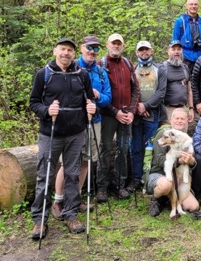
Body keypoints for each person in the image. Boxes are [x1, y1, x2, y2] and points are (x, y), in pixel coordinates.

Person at [29, 38, 96, 238]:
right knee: (45, 175)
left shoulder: (81, 74)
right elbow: (33, 103)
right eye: (63, 49)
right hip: (51, 133)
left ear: (74, 54)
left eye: (69, 50)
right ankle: (40, 220)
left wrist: (91, 106)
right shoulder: (44, 74)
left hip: (76, 133)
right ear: (55, 51)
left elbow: (89, 98)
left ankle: (70, 214)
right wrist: (47, 110)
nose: (66, 53)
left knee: (73, 174)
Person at [52, 36, 112, 220]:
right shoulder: (72, 68)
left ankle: (75, 198)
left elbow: (107, 97)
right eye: (89, 47)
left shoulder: (101, 72)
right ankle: (59, 199)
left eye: (95, 48)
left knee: (87, 160)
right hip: (73, 124)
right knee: (67, 163)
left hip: (95, 121)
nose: (92, 51)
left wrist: (97, 96)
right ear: (81, 48)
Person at [96, 33, 140, 202]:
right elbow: (100, 93)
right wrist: (115, 112)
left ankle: (120, 185)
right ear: (107, 44)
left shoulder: (127, 64)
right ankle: (102, 188)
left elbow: (135, 89)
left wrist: (131, 111)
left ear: (123, 46)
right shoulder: (101, 65)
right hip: (108, 115)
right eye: (113, 43)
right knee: (105, 150)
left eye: (119, 44)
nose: (116, 46)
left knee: (123, 150)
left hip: (127, 114)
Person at [128, 41, 167, 192]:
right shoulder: (132, 68)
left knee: (151, 148)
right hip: (136, 114)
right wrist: (138, 106)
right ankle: (136, 179)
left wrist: (147, 105)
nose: (144, 52)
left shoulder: (160, 69)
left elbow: (161, 92)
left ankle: (150, 178)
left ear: (152, 51)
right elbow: (130, 89)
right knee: (136, 148)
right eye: (141, 50)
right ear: (137, 52)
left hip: (153, 114)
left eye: (147, 49)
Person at [145, 108, 199, 216]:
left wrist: (192, 161)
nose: (179, 121)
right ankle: (156, 200)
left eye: (182, 119)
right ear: (171, 120)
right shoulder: (163, 134)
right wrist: (178, 161)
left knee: (193, 206)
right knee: (166, 185)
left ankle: (169, 199)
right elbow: (158, 160)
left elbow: (191, 161)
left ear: (187, 120)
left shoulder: (184, 137)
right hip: (159, 174)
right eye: (177, 118)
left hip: (177, 178)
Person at [160, 40, 195, 130]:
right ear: (168, 51)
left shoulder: (185, 68)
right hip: (168, 110)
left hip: (184, 109)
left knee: (183, 139)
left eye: (179, 49)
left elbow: (189, 90)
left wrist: (191, 108)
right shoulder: (162, 67)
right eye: (173, 49)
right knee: (169, 139)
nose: (176, 52)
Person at [172, 0, 201, 73]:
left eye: (195, 4)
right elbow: (175, 41)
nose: (193, 6)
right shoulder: (180, 21)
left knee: (200, 82)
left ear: (198, 6)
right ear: (187, 6)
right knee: (184, 81)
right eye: (191, 4)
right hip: (185, 57)